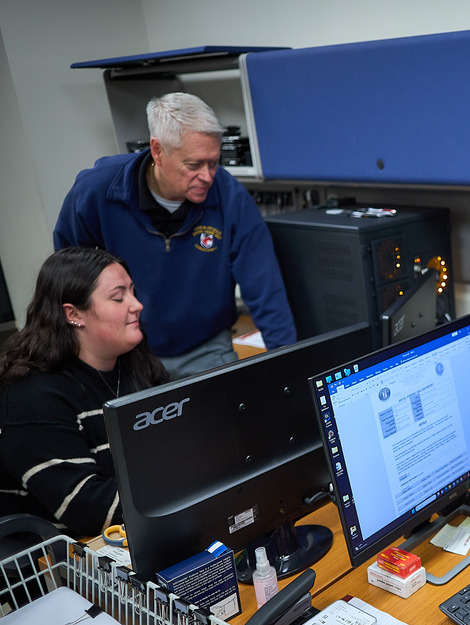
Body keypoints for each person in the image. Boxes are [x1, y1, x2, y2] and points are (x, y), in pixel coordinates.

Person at [53, 92, 296, 378]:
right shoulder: (96, 192)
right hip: (125, 351)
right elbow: (67, 278)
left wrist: (289, 367)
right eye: (194, 165)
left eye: (214, 163)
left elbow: (265, 288)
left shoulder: (230, 197)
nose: (207, 176)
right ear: (157, 151)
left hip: (205, 348)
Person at [0, 247, 168, 537]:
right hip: (63, 564)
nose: (137, 304)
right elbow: (88, 508)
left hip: (139, 533)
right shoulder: (31, 396)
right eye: (118, 297)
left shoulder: (136, 364)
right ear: (74, 314)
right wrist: (183, 487)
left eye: (132, 291)